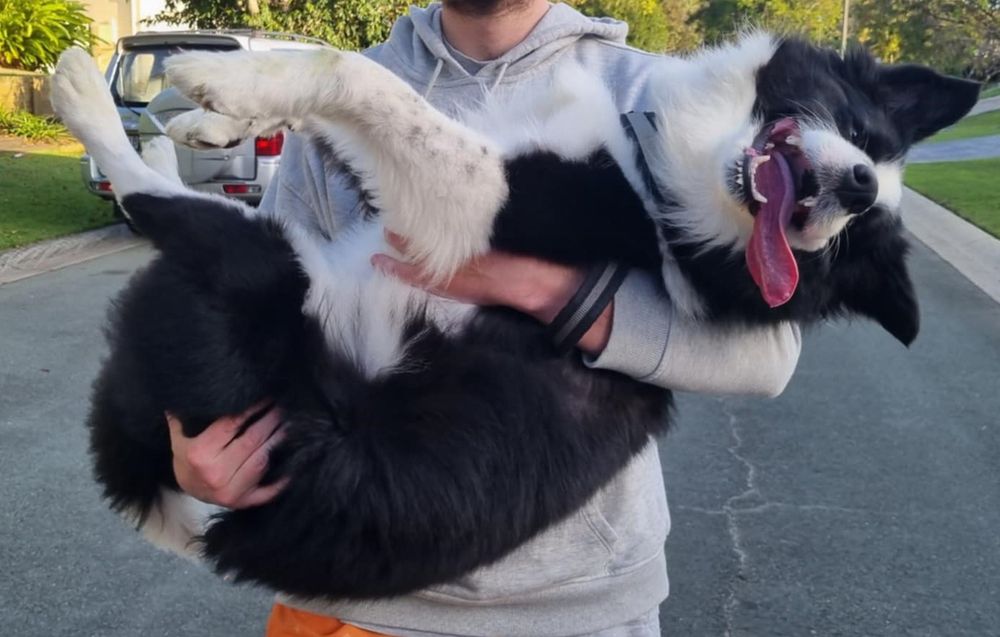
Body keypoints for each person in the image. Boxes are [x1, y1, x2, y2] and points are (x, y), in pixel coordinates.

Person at [165, 1, 802, 635]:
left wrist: (549, 290)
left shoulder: (654, 91)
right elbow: (266, 296)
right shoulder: (324, 93)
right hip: (352, 590)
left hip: (578, 608)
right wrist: (192, 441)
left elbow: (766, 356)